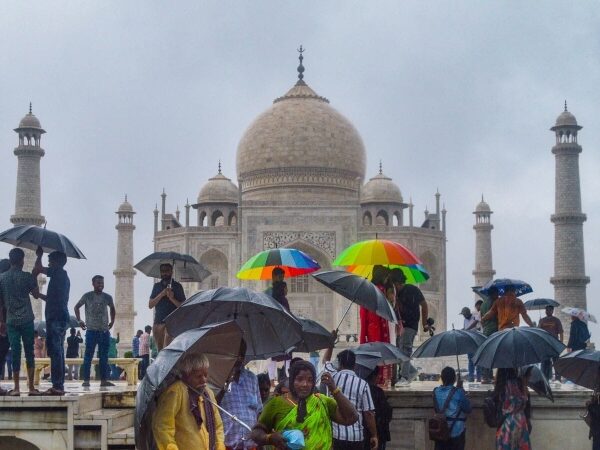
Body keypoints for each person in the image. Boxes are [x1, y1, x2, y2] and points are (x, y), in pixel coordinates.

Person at [250, 360, 359, 449]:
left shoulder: (322, 401)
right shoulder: (275, 404)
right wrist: (269, 438)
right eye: (300, 379)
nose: (305, 384)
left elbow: (351, 417)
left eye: (310, 380)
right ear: (292, 380)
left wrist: (334, 390)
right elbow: (256, 432)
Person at [152, 352, 225, 450]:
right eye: (199, 376)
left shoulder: (208, 393)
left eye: (206, 375)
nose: (204, 380)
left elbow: (218, 425)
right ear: (186, 375)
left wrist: (219, 444)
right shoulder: (175, 392)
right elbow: (163, 427)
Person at [0, 248, 41, 395]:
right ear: (22, 260)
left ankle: (16, 388)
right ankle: (30, 388)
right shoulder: (27, 277)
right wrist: (35, 276)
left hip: (10, 320)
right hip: (27, 319)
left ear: (10, 260)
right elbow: (36, 295)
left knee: (16, 352)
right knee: (29, 352)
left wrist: (1, 322)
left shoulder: (2, 278)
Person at [32, 247, 71, 395]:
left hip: (55, 316)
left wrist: (39, 255)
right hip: (59, 315)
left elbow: (38, 269)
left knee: (55, 351)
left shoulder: (58, 273)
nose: (49, 264)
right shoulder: (61, 276)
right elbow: (52, 298)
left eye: (50, 262)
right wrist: (39, 295)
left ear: (57, 262)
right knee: (58, 351)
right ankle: (58, 384)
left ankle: (57, 385)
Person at [323, 350, 378, 450]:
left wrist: (331, 343)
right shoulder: (363, 384)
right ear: (355, 365)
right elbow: (369, 413)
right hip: (356, 437)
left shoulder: (331, 377)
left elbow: (325, 361)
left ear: (340, 364)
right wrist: (374, 435)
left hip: (334, 435)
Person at [219, 342, 263, 449]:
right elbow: (212, 407)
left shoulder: (252, 378)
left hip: (251, 445)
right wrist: (226, 382)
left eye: (242, 355)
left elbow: (259, 412)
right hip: (226, 446)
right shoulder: (219, 378)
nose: (239, 358)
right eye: (236, 354)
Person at [75, 275, 116, 387]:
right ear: (93, 283)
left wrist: (112, 321)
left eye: (102, 283)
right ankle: (86, 380)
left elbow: (112, 308)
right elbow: (76, 307)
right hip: (91, 331)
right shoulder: (87, 296)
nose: (100, 285)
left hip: (104, 331)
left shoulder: (107, 297)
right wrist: (79, 321)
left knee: (104, 357)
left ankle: (103, 380)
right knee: (88, 356)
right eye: (98, 283)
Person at [391, 268, 429, 385]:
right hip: (400, 326)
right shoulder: (396, 294)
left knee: (405, 349)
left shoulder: (412, 289)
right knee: (399, 351)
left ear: (396, 282)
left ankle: (404, 377)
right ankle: (411, 372)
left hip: (410, 325)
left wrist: (424, 323)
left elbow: (424, 305)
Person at [360, 266, 392, 386]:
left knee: (374, 355)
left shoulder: (369, 290)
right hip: (380, 328)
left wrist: (362, 338)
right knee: (381, 354)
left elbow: (363, 314)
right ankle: (381, 380)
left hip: (372, 328)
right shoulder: (380, 290)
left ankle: (375, 379)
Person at [432, 366, 471, 450]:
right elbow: (468, 409)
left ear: (442, 378)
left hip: (440, 431)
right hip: (456, 431)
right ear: (454, 379)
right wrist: (462, 391)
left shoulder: (435, 391)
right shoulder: (459, 392)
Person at [149, 263, 186, 351]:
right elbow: (150, 305)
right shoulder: (157, 286)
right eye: (162, 271)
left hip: (173, 323)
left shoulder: (177, 286)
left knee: (168, 350)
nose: (164, 273)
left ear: (171, 272)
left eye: (167, 271)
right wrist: (162, 294)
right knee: (160, 350)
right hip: (158, 322)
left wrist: (172, 298)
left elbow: (183, 306)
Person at [494, 368, 531, 450]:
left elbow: (496, 403)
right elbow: (526, 405)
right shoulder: (520, 383)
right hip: (521, 421)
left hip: (506, 422)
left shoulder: (501, 385)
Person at [364, 367, 392, 450]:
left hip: (362, 433)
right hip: (378, 432)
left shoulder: (361, 388)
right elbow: (386, 413)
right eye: (378, 375)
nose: (379, 377)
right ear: (373, 376)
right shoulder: (378, 392)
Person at [479, 286, 499, 384]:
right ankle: (491, 376)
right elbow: (495, 315)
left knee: (487, 353)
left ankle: (486, 376)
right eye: (497, 293)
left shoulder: (482, 305)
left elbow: (481, 319)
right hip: (494, 330)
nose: (498, 295)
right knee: (496, 353)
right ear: (493, 294)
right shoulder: (495, 303)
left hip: (486, 331)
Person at [538, 305, 563, 381]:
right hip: (544, 344)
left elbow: (561, 332)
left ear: (552, 311)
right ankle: (544, 379)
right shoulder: (542, 320)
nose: (547, 311)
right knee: (544, 362)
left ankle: (558, 378)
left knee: (556, 362)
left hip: (554, 345)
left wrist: (561, 344)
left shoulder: (556, 320)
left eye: (549, 310)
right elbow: (538, 331)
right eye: (546, 310)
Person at [460, 307, 480, 382]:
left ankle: (479, 377)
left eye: (464, 314)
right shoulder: (465, 320)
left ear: (468, 313)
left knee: (478, 360)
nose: (464, 316)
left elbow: (476, 325)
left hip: (476, 341)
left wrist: (467, 329)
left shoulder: (474, 316)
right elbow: (465, 328)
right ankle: (471, 377)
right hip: (469, 341)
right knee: (470, 359)